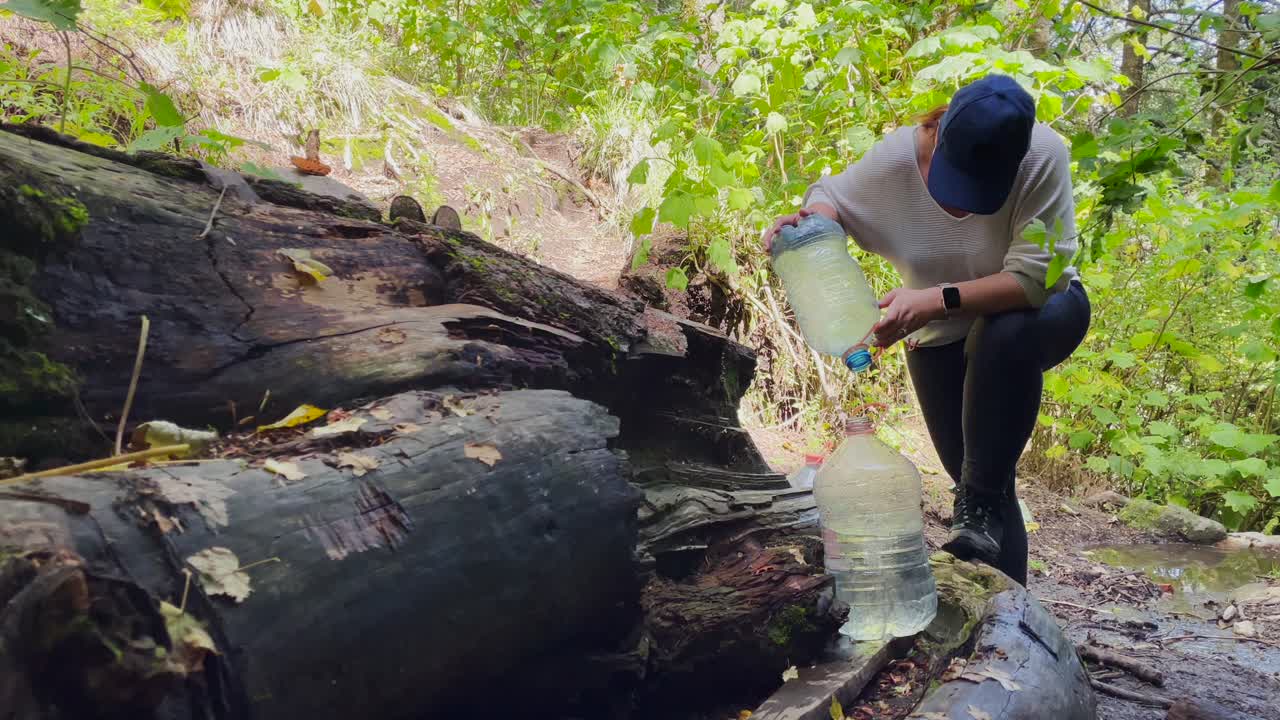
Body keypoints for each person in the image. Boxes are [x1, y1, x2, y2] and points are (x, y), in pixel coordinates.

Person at [763, 74, 1090, 585]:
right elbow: (831, 197)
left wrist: (935, 299)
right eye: (957, 179)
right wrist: (813, 228)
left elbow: (1034, 281)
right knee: (981, 489)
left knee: (1000, 344)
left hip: (1042, 312)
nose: (963, 204)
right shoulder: (896, 159)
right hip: (938, 332)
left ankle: (980, 506)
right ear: (938, 134)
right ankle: (1005, 620)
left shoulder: (1044, 156)